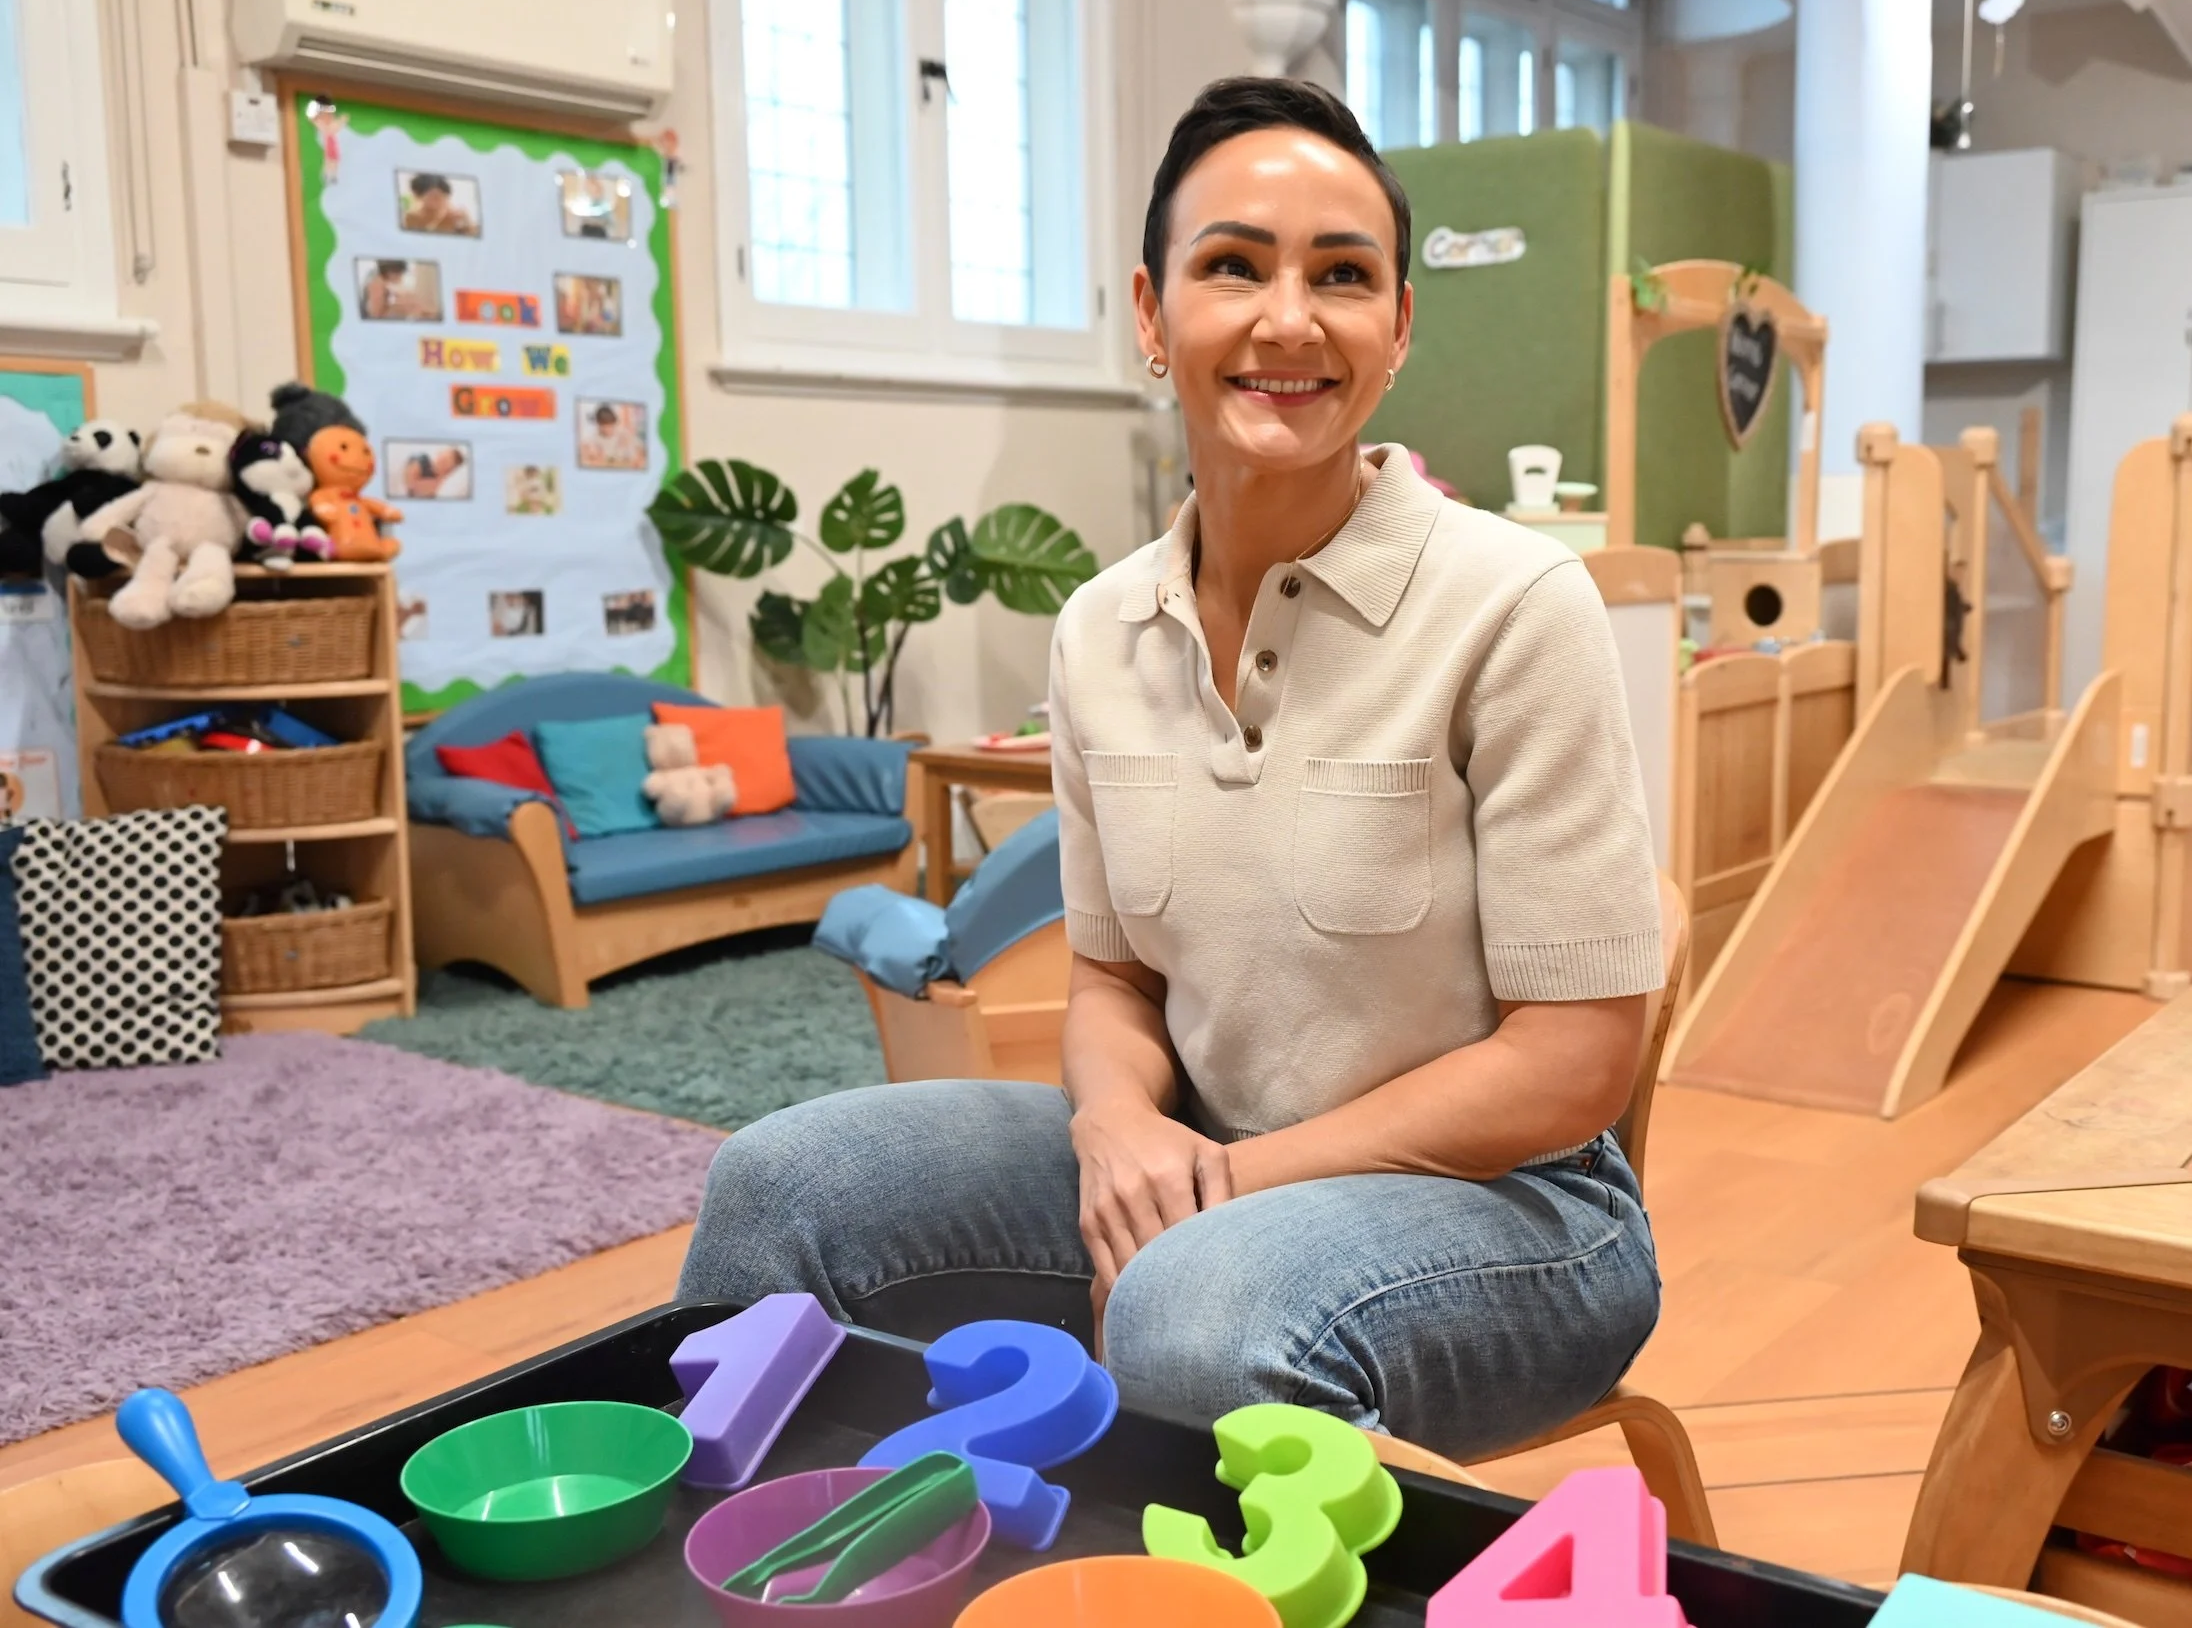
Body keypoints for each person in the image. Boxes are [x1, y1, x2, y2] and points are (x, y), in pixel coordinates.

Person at [676, 78, 1664, 1460]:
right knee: (783, 1183)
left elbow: (1575, 1062)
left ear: (1398, 327)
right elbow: (1113, 979)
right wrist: (1123, 1126)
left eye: (1343, 274)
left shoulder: (1516, 604)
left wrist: (1230, 1185)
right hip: (1201, 1156)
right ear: (1152, 314)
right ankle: (782, 1565)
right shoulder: (1097, 631)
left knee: (1197, 1315)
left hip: (1520, 1213)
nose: (1288, 317)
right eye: (1233, 266)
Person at [402, 172, 476, 236]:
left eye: (444, 196)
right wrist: (441, 225)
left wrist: (469, 226)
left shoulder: (455, 215)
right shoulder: (412, 217)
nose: (441, 201)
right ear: (418, 196)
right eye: (434, 197)